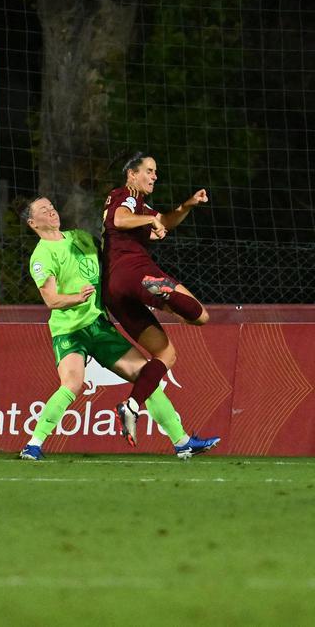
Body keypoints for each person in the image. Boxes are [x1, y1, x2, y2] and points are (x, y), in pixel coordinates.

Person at [19, 197, 219, 460]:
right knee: (72, 383)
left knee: (146, 374)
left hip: (99, 326)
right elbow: (51, 299)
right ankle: (33, 445)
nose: (52, 211)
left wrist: (149, 236)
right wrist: (76, 298)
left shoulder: (80, 237)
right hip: (69, 330)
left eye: (52, 206)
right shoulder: (42, 255)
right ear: (33, 223)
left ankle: (182, 442)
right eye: (44, 210)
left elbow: (115, 257)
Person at [102, 153, 211, 441]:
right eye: (149, 171)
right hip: (133, 272)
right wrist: (150, 219)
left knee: (166, 355)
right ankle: (160, 292)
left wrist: (187, 205)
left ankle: (131, 406)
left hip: (115, 292)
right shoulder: (123, 195)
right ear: (131, 174)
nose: (154, 176)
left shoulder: (140, 206)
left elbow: (164, 220)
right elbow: (120, 218)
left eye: (155, 172)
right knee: (199, 314)